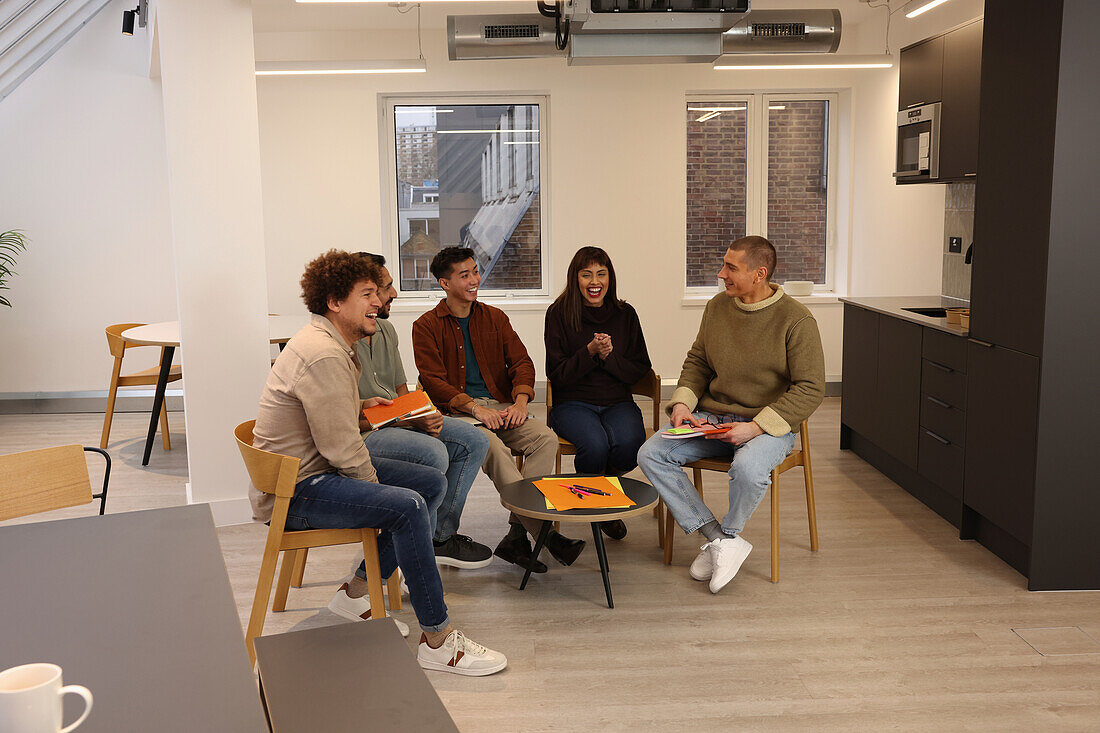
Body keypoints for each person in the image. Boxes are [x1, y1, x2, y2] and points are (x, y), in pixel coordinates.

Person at [252, 249, 506, 676]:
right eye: (367, 294)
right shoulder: (326, 354)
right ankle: (438, 641)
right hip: (297, 491)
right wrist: (382, 494)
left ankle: (355, 595)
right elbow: (341, 451)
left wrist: (360, 405)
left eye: (377, 292)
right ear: (335, 302)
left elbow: (329, 423)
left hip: (309, 472)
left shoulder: (331, 343)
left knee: (428, 482)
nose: (379, 301)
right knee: (405, 505)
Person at [637, 236, 825, 594]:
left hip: (768, 428)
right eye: (723, 265)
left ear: (759, 274)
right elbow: (698, 363)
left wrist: (754, 428)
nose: (721, 273)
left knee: (748, 469)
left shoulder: (796, 319)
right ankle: (721, 540)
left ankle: (727, 537)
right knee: (651, 454)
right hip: (711, 420)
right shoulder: (717, 307)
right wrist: (681, 405)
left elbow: (811, 388)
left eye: (730, 268)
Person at [412, 246, 586, 573]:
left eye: (475, 271)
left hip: (504, 407)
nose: (475, 279)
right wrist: (475, 410)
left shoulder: (494, 318)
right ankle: (545, 535)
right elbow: (433, 382)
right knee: (492, 449)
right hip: (458, 415)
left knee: (545, 439)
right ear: (444, 283)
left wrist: (521, 402)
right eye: (464, 275)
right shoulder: (425, 326)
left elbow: (521, 362)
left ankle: (518, 533)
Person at [353, 252, 493, 571]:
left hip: (398, 421)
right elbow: (352, 416)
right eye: (386, 287)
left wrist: (421, 413)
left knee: (475, 442)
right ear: (365, 294)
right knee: (434, 453)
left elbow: (402, 390)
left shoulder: (386, 331)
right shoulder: (342, 341)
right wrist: (408, 419)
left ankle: (439, 537)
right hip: (365, 432)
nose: (393, 293)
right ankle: (417, 546)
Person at [544, 246, 652, 541]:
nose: (595, 281)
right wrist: (589, 352)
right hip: (572, 403)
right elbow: (557, 374)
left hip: (617, 401)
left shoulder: (625, 314)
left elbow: (639, 369)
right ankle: (601, 511)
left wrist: (608, 357)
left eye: (601, 274)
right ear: (575, 278)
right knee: (595, 445)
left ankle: (595, 492)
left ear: (610, 278)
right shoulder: (558, 313)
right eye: (587, 274)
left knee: (631, 446)